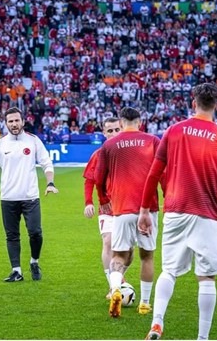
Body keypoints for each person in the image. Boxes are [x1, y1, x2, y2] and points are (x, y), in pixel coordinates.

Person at [138, 83, 217, 340]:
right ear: (216, 105)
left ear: (193, 103)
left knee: (168, 271)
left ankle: (157, 323)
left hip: (175, 209)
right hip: (207, 213)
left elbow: (154, 173)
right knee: (207, 278)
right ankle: (202, 338)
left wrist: (144, 209)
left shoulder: (173, 131)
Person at [95, 107, 161, 318]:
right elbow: (163, 173)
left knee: (119, 256)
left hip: (121, 208)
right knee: (146, 256)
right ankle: (144, 303)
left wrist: (104, 199)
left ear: (121, 124)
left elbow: (98, 177)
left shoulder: (109, 144)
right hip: (148, 208)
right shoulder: (152, 141)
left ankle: (116, 291)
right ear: (140, 122)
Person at [0, 107, 58, 282]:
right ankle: (16, 271)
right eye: (10, 121)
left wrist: (50, 183)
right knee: (12, 236)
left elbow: (47, 163)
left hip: (30, 196)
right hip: (8, 198)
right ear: (6, 123)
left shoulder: (33, 141)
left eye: (17, 120)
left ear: (23, 121)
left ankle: (34, 261)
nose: (14, 124)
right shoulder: (0, 143)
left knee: (35, 233)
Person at [82, 116, 121, 299]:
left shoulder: (129, 154)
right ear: (104, 133)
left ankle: (119, 280)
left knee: (125, 249)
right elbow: (89, 181)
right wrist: (88, 202)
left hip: (128, 208)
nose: (113, 133)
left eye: (116, 130)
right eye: (109, 131)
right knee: (108, 242)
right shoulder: (98, 155)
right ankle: (112, 286)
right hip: (106, 209)